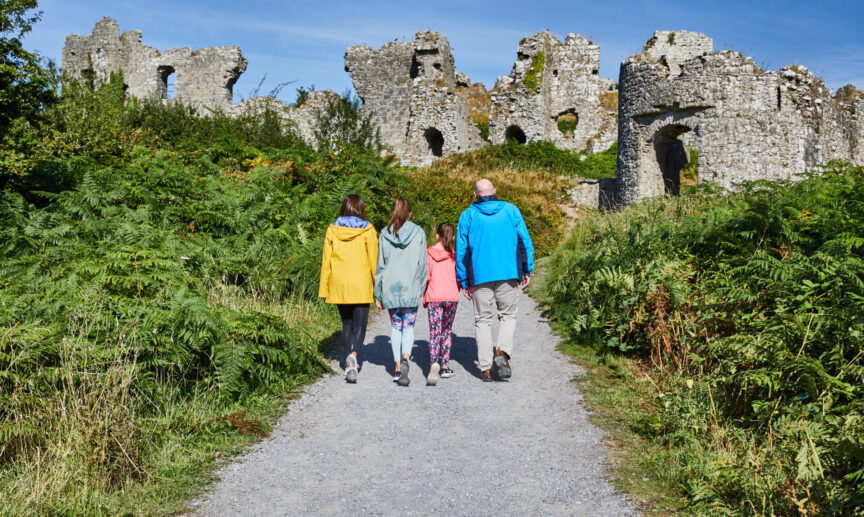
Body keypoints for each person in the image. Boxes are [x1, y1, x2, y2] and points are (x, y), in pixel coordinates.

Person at [455, 179, 534, 382]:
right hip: (508, 273)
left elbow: (462, 250)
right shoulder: (511, 210)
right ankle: (503, 351)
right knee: (508, 316)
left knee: (482, 320)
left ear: (475, 195)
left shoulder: (468, 215)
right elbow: (524, 240)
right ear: (495, 191)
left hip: (479, 276)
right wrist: (526, 269)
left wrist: (463, 280)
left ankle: (485, 368)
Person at [318, 194, 378, 383]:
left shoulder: (332, 230)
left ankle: (347, 364)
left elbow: (326, 261)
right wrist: (379, 286)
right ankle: (353, 355)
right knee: (360, 325)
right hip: (361, 282)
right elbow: (374, 260)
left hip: (339, 283)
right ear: (361, 209)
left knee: (346, 324)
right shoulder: (368, 230)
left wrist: (324, 288)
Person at [374, 199, 427, 387]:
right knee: (409, 326)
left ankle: (397, 368)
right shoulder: (419, 233)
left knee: (396, 326)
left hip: (390, 286)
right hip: (410, 286)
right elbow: (423, 264)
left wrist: (377, 293)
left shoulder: (384, 234)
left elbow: (380, 265)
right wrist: (421, 289)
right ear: (409, 214)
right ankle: (406, 358)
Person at [423, 223, 460, 386]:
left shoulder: (429, 253)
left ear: (437, 235)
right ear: (452, 236)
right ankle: (445, 365)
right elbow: (460, 275)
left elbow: (427, 276)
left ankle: (434, 363)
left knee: (435, 332)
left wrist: (424, 294)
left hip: (435, 296)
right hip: (451, 297)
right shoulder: (455, 254)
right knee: (447, 330)